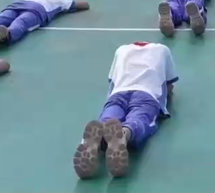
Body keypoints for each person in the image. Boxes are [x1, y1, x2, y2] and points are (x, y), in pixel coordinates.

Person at [73, 42, 178, 180]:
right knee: (139, 119)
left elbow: (112, 82)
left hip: (118, 93)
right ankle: (124, 133)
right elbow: (169, 86)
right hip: (146, 94)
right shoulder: (163, 50)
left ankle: (97, 137)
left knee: (109, 117)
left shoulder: (121, 50)